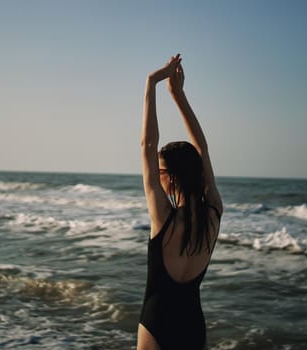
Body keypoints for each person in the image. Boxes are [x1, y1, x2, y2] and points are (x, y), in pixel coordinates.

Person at [138, 54, 223, 350]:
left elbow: (147, 145)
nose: (157, 176)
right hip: (193, 326)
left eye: (160, 171)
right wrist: (178, 95)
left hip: (157, 324)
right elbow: (203, 149)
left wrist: (153, 82)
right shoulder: (214, 213)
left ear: (171, 177)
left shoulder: (163, 217)